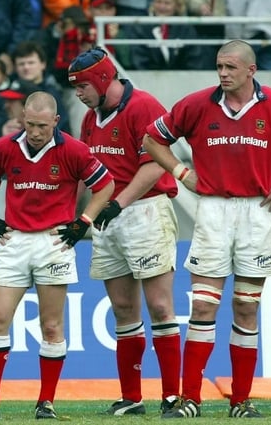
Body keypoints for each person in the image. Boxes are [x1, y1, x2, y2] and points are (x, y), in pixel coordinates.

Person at [143, 39, 271, 418]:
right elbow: (152, 138)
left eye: (231, 67)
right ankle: (191, 400)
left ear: (251, 70)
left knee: (246, 309)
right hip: (213, 211)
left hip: (259, 212)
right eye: (219, 66)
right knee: (202, 305)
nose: (223, 73)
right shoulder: (197, 104)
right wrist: (182, 173)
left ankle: (241, 400)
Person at [0, 91, 114, 420]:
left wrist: (83, 222)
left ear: (55, 122)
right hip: (14, 241)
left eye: (41, 126)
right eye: (29, 124)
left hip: (54, 243)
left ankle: (46, 402)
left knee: (51, 325)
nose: (34, 132)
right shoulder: (5, 147)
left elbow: (105, 185)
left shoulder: (74, 150)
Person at [67, 48, 181, 415]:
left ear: (102, 80)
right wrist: (78, 216)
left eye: (83, 85)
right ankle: (132, 397)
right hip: (107, 217)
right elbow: (88, 171)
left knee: (161, 306)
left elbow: (155, 166)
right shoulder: (89, 118)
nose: (79, 94)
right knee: (123, 308)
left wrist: (120, 202)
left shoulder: (145, 106)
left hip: (145, 210)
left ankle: (171, 396)